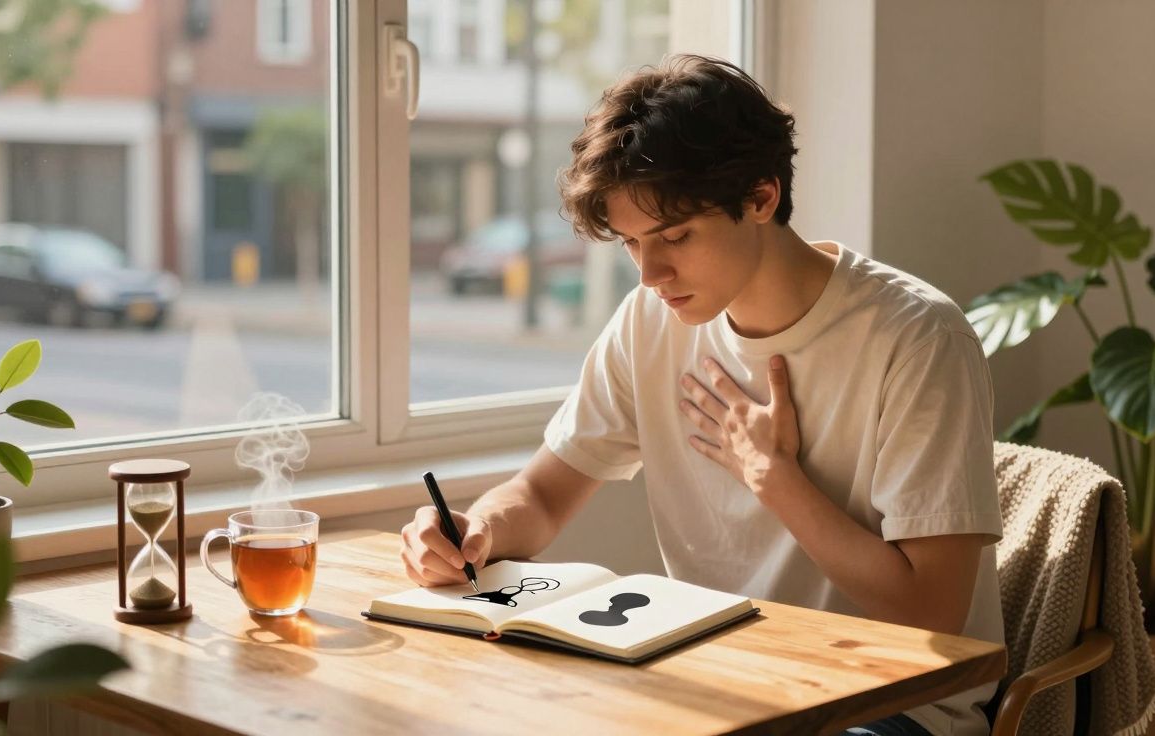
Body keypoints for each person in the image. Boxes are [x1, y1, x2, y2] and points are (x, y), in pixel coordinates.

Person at [400, 55, 1003, 736]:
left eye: (675, 236)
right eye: (631, 244)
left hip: (891, 706)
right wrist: (476, 532)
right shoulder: (649, 321)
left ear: (761, 198)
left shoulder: (917, 337)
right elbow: (540, 496)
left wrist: (775, 480)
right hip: (717, 684)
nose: (651, 273)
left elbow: (931, 615)